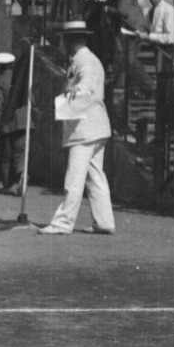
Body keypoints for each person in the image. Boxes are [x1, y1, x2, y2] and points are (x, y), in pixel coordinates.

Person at [39, 21, 115, 236]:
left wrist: (67, 98)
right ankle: (104, 221)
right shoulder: (84, 60)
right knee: (95, 176)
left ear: (69, 41)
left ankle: (63, 223)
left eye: (64, 39)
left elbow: (85, 87)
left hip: (85, 129)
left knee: (75, 176)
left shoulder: (86, 62)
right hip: (95, 127)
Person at [101, 0, 154, 97]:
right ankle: (134, 89)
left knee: (129, 61)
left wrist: (105, 8)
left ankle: (150, 88)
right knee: (123, 60)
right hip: (126, 28)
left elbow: (122, 11)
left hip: (133, 28)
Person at [0, 52, 30, 196]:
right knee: (21, 151)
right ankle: (21, 176)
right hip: (25, 121)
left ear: (0, 66)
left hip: (7, 123)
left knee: (6, 155)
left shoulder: (0, 81)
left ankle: (7, 185)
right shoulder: (24, 79)